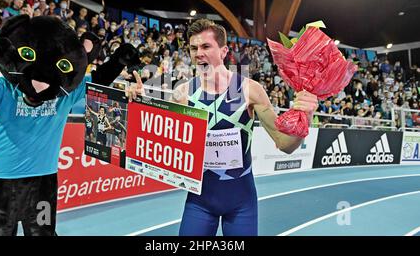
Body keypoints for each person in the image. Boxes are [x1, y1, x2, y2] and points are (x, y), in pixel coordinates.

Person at [128, 19, 318, 236]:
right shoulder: (183, 94)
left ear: (224, 51)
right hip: (200, 201)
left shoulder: (248, 90)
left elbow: (285, 144)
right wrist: (139, 103)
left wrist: (306, 116)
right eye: (193, 48)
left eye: (206, 46)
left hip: (241, 203)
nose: (198, 53)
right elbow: (157, 140)